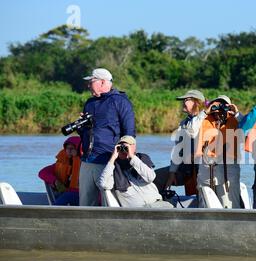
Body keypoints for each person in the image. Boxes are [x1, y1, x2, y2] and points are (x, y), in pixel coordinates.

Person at [78, 68, 136, 206]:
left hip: (108, 161)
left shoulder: (120, 101)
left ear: (102, 82)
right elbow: (86, 133)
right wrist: (81, 127)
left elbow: (130, 133)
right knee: (85, 203)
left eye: (91, 82)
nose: (88, 86)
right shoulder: (90, 103)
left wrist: (125, 158)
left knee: (109, 202)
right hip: (87, 161)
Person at [153, 90, 207, 197]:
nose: (183, 102)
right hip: (185, 169)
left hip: (204, 170)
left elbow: (194, 130)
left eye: (186, 100)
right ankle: (160, 204)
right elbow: (177, 151)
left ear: (196, 103)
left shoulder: (207, 120)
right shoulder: (183, 123)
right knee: (154, 177)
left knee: (200, 194)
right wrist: (172, 173)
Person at [97, 136, 173, 208]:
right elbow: (103, 185)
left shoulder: (142, 159)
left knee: (170, 207)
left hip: (156, 204)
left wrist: (132, 157)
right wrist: (113, 158)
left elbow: (151, 177)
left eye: (127, 146)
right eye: (120, 147)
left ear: (134, 147)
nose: (123, 149)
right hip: (137, 211)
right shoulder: (113, 167)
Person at [196, 95, 243, 208]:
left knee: (229, 201)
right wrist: (205, 112)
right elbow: (191, 129)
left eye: (223, 106)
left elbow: (249, 128)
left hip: (228, 167)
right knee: (205, 200)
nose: (219, 109)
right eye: (216, 105)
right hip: (207, 167)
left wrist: (237, 113)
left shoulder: (235, 121)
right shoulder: (204, 120)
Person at [38, 136, 81, 206]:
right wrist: (55, 181)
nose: (69, 150)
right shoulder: (62, 162)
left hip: (82, 196)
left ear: (79, 149)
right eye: (67, 148)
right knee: (63, 194)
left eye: (72, 148)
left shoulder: (86, 163)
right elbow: (42, 172)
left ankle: (52, 213)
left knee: (68, 195)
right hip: (67, 195)